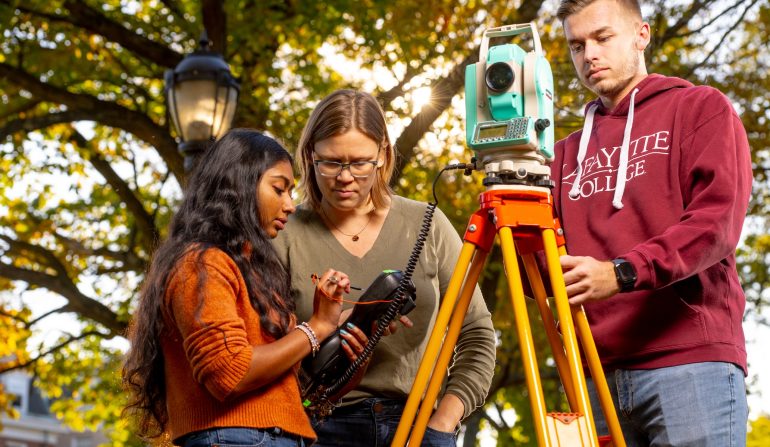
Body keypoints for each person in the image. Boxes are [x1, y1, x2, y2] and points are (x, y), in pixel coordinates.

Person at [551, 0, 753, 445]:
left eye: (603, 38)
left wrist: (620, 273)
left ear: (641, 35)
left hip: (688, 362)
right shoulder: (562, 154)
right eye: (577, 45)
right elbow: (539, 272)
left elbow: (715, 224)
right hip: (595, 377)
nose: (589, 55)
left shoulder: (700, 108)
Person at [272, 89, 496, 446]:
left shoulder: (428, 224)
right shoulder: (283, 232)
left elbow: (477, 333)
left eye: (359, 162)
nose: (345, 177)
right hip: (316, 428)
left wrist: (441, 424)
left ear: (383, 155)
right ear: (309, 156)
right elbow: (259, 350)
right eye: (331, 162)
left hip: (417, 422)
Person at [122, 129, 358, 447]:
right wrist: (315, 328)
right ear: (239, 185)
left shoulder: (254, 271)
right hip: (238, 438)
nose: (290, 205)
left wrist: (348, 326)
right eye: (279, 189)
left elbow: (291, 390)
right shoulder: (202, 263)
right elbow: (229, 374)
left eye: (292, 192)